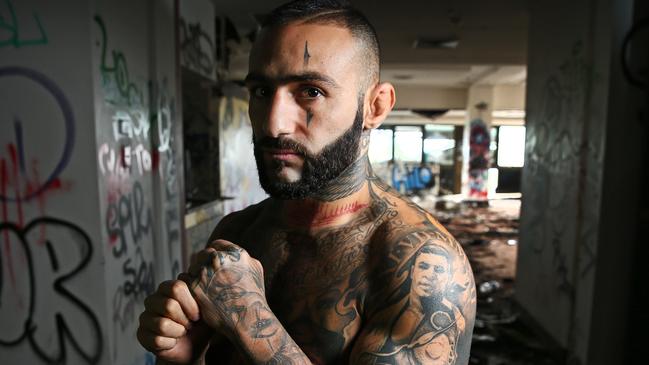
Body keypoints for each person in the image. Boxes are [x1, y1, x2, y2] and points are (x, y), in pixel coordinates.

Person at [137, 1, 476, 364]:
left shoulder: (423, 264)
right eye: (262, 92)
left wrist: (248, 317)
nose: (272, 124)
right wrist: (180, 356)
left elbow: (246, 324)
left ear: (375, 107)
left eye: (310, 91)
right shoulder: (238, 230)